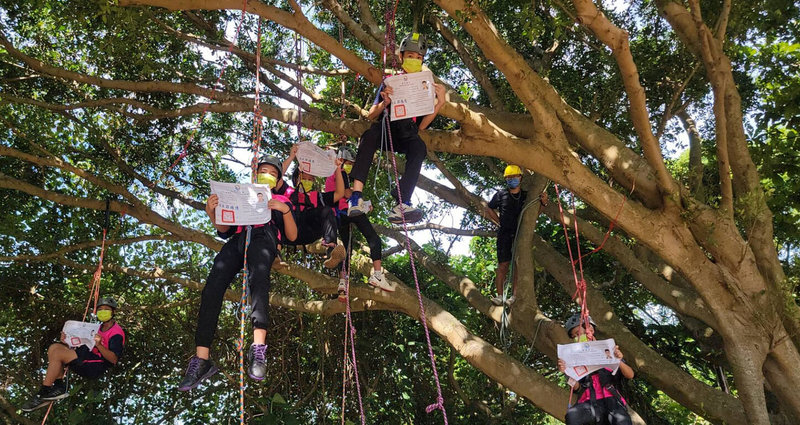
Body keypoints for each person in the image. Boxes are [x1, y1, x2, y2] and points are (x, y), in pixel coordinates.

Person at [178, 158, 297, 390]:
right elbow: (224, 229)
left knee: (258, 279)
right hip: (238, 239)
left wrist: (286, 210)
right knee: (212, 286)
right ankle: (202, 358)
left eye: (273, 173)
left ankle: (259, 349)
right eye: (263, 171)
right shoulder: (243, 195)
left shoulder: (281, 199)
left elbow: (292, 236)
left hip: (265, 237)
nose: (267, 174)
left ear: (278, 180)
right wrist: (212, 211)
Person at [347, 33, 447, 224]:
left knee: (419, 147)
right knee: (369, 135)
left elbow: (422, 126)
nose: (414, 60)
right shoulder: (390, 81)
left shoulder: (425, 85)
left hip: (408, 132)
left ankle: (402, 203)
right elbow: (371, 114)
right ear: (401, 57)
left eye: (419, 58)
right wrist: (386, 101)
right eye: (410, 56)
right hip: (387, 128)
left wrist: (439, 102)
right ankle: (356, 196)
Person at [21, 297, 125, 412]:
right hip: (86, 356)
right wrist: (68, 340)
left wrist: (99, 345)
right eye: (100, 309)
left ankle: (43, 392)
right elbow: (84, 342)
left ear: (113, 312)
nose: (103, 312)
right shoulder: (97, 328)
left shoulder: (116, 333)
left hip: (95, 365)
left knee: (58, 354)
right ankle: (59, 386)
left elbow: (114, 359)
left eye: (106, 309)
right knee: (54, 348)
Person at [325, 148, 393, 299]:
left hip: (338, 215)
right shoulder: (340, 172)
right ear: (341, 161)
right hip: (348, 211)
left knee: (346, 250)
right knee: (373, 238)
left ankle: (343, 283)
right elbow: (347, 193)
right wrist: (363, 204)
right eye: (349, 163)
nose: (350, 166)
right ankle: (377, 275)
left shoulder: (330, 176)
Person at [557, 313, 635, 425]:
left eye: (578, 333)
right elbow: (577, 387)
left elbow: (630, 375)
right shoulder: (574, 358)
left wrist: (618, 360)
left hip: (611, 399)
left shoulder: (608, 349)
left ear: (590, 330)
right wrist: (566, 371)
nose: (577, 338)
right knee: (572, 417)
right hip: (588, 402)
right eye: (574, 336)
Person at [282, 145, 347, 269]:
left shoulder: (317, 196)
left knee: (327, 210)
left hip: (309, 231)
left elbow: (339, 194)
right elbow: (277, 178)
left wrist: (337, 169)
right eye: (304, 178)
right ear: (296, 179)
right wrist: (292, 157)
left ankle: (330, 249)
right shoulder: (287, 192)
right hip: (289, 230)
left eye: (310, 179)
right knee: (277, 208)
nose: (307, 181)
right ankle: (275, 250)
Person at [485, 165, 527, 306]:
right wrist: (498, 221)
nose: (511, 180)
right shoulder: (501, 195)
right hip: (504, 233)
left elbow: (534, 213)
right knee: (503, 264)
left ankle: (514, 296)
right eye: (508, 178)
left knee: (517, 265)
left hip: (520, 234)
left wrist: (544, 203)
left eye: (514, 176)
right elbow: (489, 208)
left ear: (520, 177)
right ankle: (500, 296)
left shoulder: (526, 196)